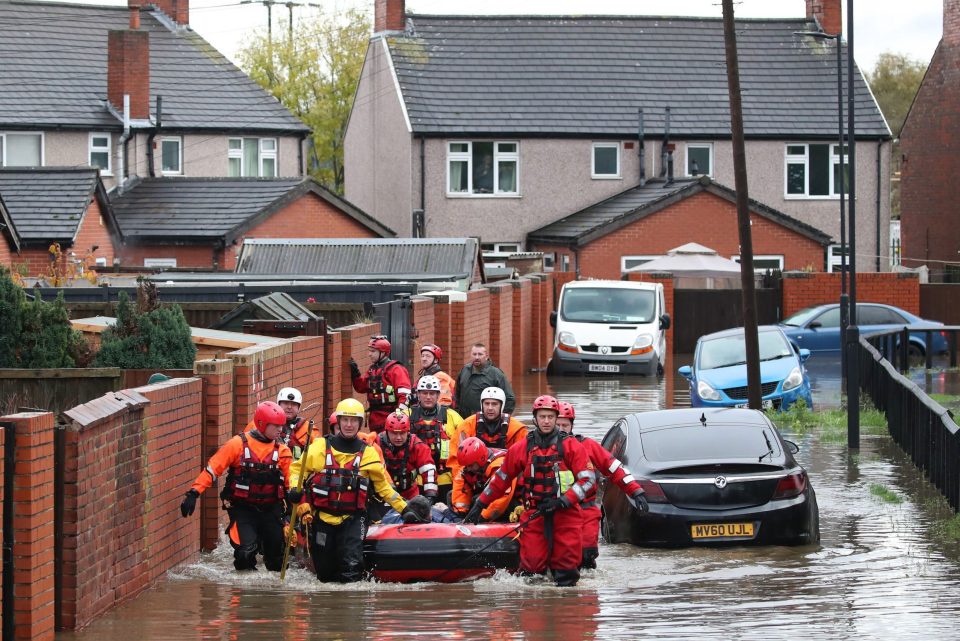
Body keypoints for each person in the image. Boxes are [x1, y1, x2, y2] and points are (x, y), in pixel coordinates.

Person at [465, 395, 595, 587]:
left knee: (567, 571)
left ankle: (566, 611)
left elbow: (588, 480)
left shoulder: (570, 446)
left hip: (565, 514)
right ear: (535, 418)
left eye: (551, 417)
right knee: (532, 569)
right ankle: (535, 610)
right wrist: (480, 504)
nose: (546, 421)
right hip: (536, 513)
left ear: (556, 417)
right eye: (542, 416)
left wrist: (564, 501)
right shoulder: (523, 447)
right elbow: (502, 478)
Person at [288, 397, 411, 582]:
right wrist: (294, 489)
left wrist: (405, 509)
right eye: (344, 420)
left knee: (352, 567)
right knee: (324, 573)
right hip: (323, 517)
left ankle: (351, 604)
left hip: (353, 518)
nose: (348, 425)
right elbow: (297, 470)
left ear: (360, 423)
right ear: (338, 422)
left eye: (353, 421)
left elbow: (384, 488)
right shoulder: (320, 447)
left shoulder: (368, 453)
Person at [180, 401, 292, 572]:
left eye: (281, 426)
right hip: (244, 509)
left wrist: (296, 502)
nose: (280, 430)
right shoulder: (237, 445)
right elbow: (213, 469)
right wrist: (194, 493)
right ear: (262, 424)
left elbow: (291, 482)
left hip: (272, 510)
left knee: (278, 559)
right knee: (245, 553)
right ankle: (243, 593)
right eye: (276, 426)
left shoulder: (283, 451)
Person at [556, 401, 647, 569]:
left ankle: (585, 591)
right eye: (557, 424)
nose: (561, 429)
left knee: (587, 553)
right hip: (555, 509)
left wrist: (635, 491)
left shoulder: (587, 446)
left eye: (565, 425)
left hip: (585, 508)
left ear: (572, 426)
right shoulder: (539, 448)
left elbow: (615, 468)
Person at [447, 386, 526, 481]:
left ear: (502, 405)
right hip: (471, 478)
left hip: (504, 479)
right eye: (487, 404)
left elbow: (523, 460)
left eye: (494, 404)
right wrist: (463, 479)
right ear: (481, 405)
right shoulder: (467, 426)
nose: (490, 408)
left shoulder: (517, 429)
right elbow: (455, 459)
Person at [409, 375, 463, 501]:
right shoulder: (407, 415)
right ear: (418, 394)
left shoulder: (452, 417)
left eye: (432, 393)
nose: (428, 397)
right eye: (424, 393)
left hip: (445, 480)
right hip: (416, 481)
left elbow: (465, 446)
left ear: (438, 395)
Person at [349, 335, 412, 433]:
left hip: (391, 420)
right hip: (375, 420)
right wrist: (355, 374)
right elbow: (361, 387)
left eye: (373, 351)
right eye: (369, 351)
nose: (369, 354)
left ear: (383, 353)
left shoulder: (396, 369)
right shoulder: (372, 370)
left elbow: (405, 395)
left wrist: (398, 416)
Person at [453, 437, 517, 523]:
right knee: (451, 495)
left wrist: (481, 518)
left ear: (481, 459)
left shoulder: (500, 465)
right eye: (466, 466)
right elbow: (460, 489)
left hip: (514, 501)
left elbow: (503, 497)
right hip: (488, 500)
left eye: (470, 465)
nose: (468, 468)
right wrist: (461, 515)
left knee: (477, 499)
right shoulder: (468, 467)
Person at [378, 413, 438, 502]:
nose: (398, 437)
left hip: (409, 495)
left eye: (402, 433)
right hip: (382, 496)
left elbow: (429, 471)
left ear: (408, 431)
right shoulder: (377, 444)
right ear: (386, 431)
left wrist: (430, 495)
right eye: (394, 433)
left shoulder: (417, 446)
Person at [454, 343, 516, 417]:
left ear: (486, 356)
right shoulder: (464, 370)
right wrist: (457, 413)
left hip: (485, 422)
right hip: (464, 421)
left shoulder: (496, 374)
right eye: (474, 354)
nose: (476, 357)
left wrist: (500, 418)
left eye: (480, 354)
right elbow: (457, 394)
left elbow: (510, 399)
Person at [275, 387, 321, 459]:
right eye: (286, 403)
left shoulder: (309, 430)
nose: (289, 407)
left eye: (293, 404)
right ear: (279, 404)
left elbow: (319, 455)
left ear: (298, 407)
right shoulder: (268, 425)